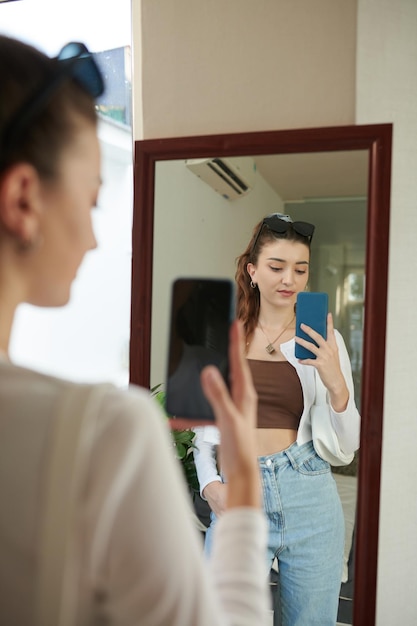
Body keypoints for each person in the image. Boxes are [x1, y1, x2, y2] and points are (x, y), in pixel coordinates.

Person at [0, 35, 270, 625]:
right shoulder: (101, 437)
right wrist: (244, 477)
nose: (96, 238)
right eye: (92, 202)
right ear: (23, 198)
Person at [193, 213, 361, 626]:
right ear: (252, 271)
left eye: (300, 269)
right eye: (276, 267)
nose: (289, 279)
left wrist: (336, 382)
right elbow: (204, 432)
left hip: (309, 491)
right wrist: (210, 486)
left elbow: (349, 444)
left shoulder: (326, 339)